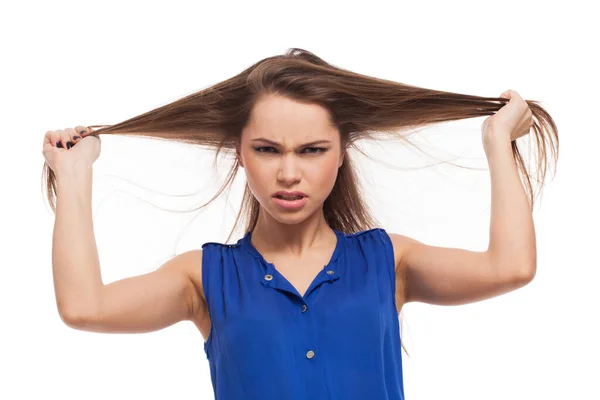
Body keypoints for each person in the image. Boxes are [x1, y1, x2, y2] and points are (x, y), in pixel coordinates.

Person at [41, 48, 558, 400]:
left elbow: (510, 267)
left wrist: (498, 144)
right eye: (268, 150)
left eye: (312, 151)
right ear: (240, 154)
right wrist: (75, 175)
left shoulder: (386, 262)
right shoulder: (205, 278)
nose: (289, 173)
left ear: (340, 156)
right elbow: (85, 307)